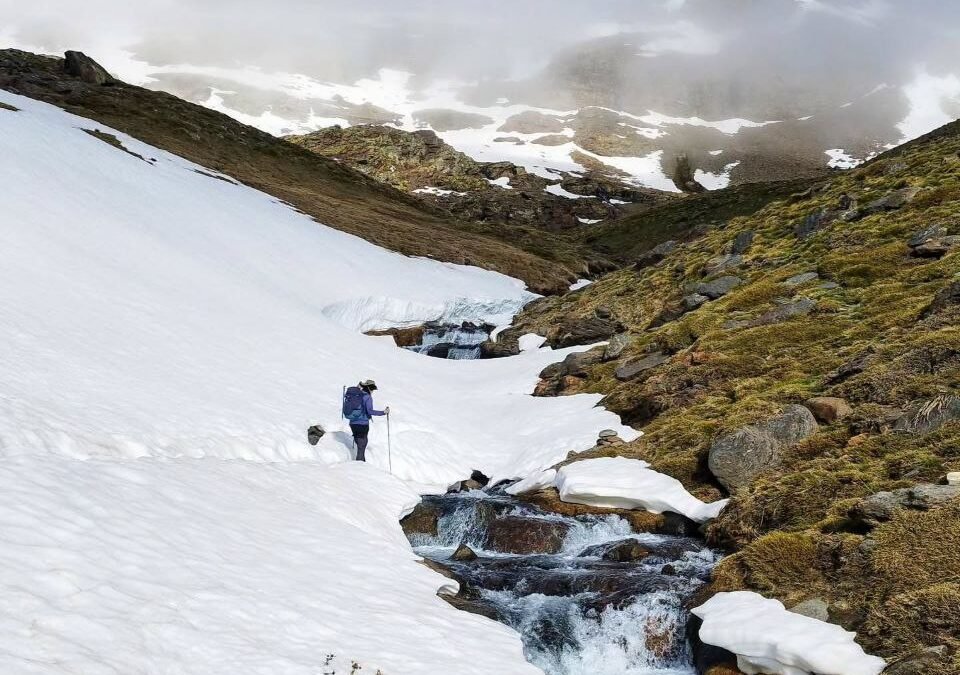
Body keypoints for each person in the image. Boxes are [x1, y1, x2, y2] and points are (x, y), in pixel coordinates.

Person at [342, 379, 389, 461]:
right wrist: (383, 412)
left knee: (360, 444)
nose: (373, 391)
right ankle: (360, 465)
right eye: (372, 389)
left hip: (353, 423)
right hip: (363, 424)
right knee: (362, 445)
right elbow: (370, 411)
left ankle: (361, 463)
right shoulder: (367, 397)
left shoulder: (357, 395)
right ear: (370, 388)